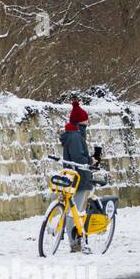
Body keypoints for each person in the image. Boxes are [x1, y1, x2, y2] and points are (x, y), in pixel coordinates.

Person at [59, 100, 93, 252]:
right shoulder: (75, 136)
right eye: (86, 119)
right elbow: (78, 159)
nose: (88, 121)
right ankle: (75, 243)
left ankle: (77, 240)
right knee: (75, 211)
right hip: (78, 178)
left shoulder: (74, 135)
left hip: (76, 177)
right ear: (81, 121)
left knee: (75, 210)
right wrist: (91, 160)